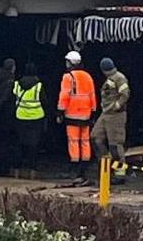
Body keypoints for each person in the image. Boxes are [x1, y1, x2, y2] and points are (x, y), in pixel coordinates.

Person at [56, 50, 97, 187]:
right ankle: (84, 166)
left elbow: (64, 95)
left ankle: (75, 168)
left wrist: (60, 111)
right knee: (85, 141)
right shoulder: (88, 76)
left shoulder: (68, 77)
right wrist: (93, 112)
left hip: (72, 114)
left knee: (73, 141)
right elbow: (92, 95)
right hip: (86, 115)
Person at [90, 57, 131, 180]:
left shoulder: (119, 78)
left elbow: (125, 94)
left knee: (115, 144)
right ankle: (105, 164)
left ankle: (119, 174)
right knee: (95, 137)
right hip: (106, 113)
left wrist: (117, 106)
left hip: (116, 115)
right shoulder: (110, 79)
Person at [13, 64, 45, 175]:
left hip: (20, 117)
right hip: (36, 118)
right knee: (34, 145)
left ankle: (17, 169)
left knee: (19, 144)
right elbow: (44, 101)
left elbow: (12, 100)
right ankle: (32, 170)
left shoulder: (16, 84)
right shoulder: (38, 86)